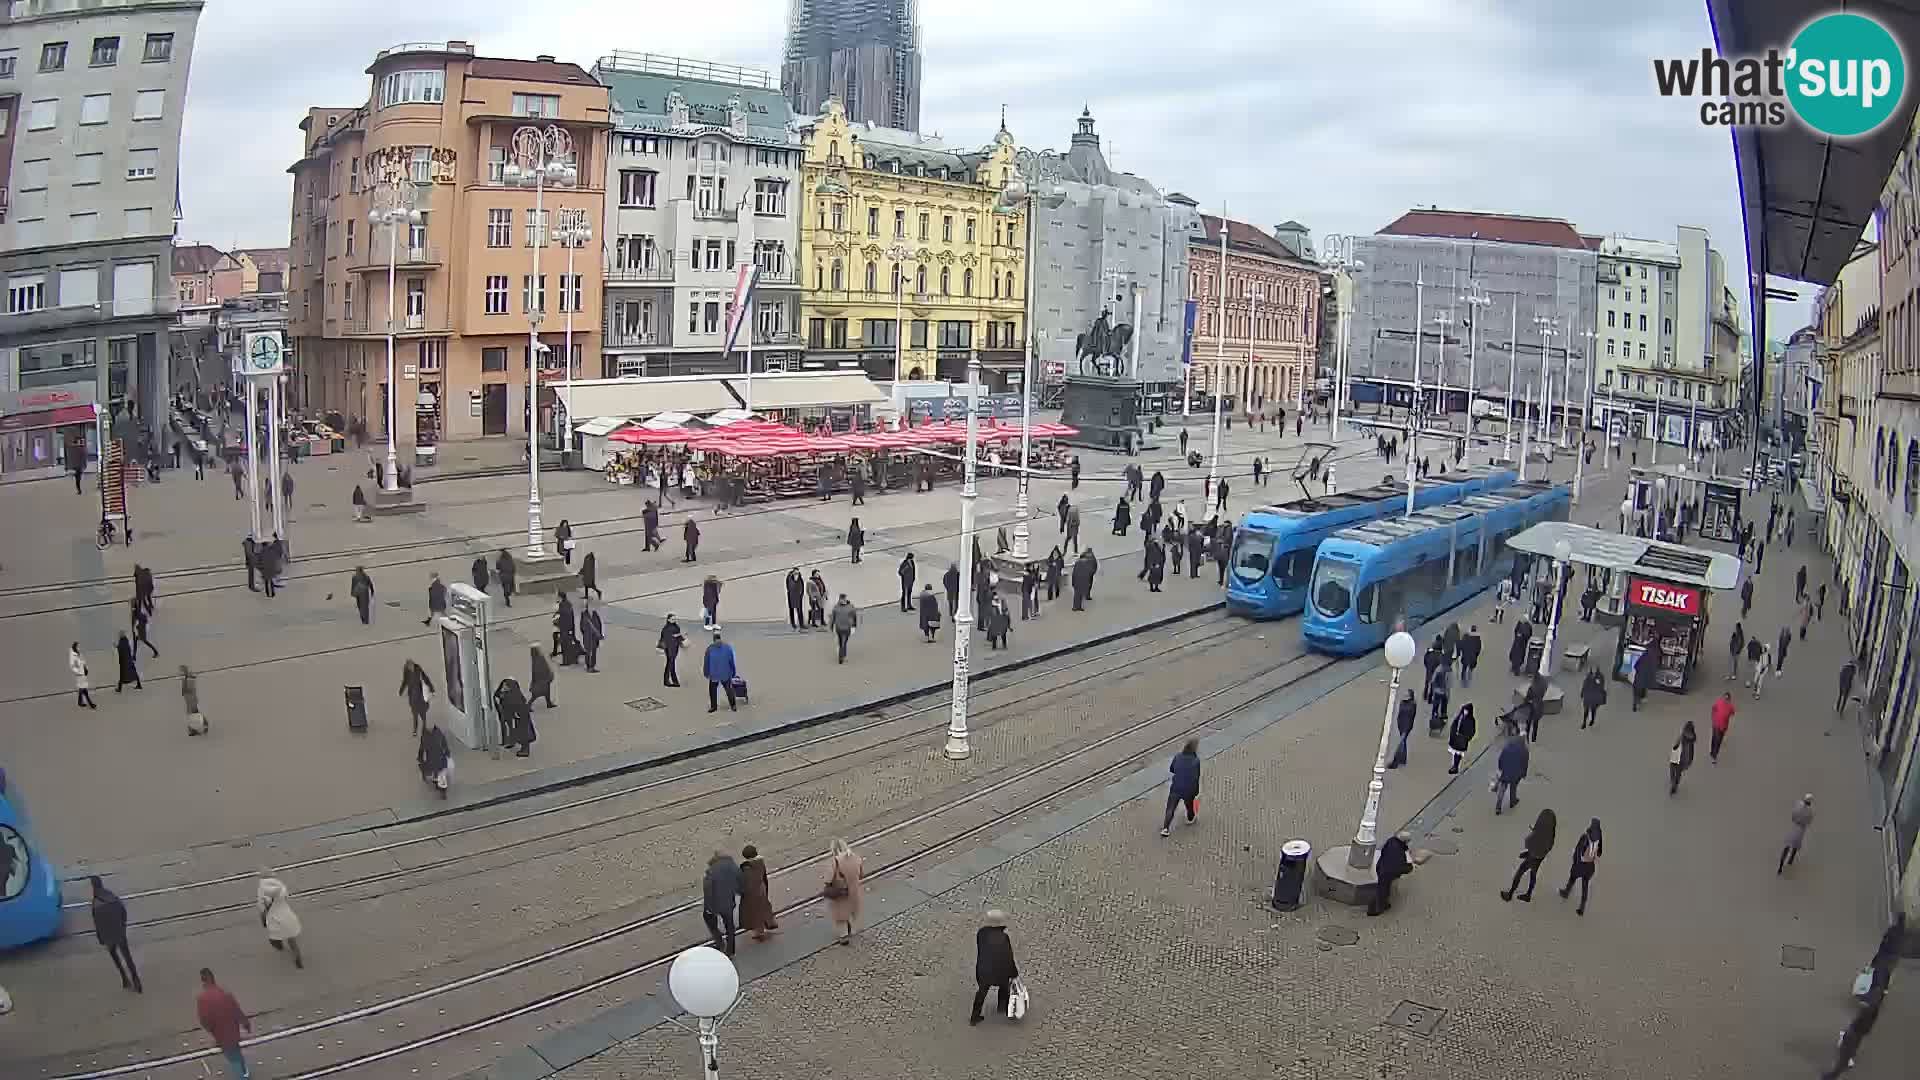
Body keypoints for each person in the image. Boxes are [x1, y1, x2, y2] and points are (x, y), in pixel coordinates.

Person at [196, 968, 253, 1079]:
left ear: (203, 981)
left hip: (220, 1034)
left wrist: (211, 1030)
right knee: (236, 1052)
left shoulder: (202, 999)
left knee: (233, 1058)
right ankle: (244, 1072)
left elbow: (204, 1020)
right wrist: (246, 1024)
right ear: (213, 979)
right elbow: (237, 1010)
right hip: (233, 1030)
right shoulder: (225, 993)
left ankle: (242, 1076)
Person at [89, 876, 141, 992]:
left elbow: (97, 925)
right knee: (127, 957)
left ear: (93, 886)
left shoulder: (95, 903)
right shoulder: (111, 896)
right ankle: (135, 978)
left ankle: (124, 977)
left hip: (108, 936)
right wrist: (123, 926)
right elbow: (123, 911)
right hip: (119, 932)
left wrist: (101, 938)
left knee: (114, 955)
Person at [970, 909, 1020, 1025]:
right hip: (999, 971)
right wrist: (1013, 972)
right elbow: (1008, 957)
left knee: (982, 992)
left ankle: (975, 1017)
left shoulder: (981, 933)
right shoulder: (1004, 938)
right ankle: (1003, 1008)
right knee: (1004, 987)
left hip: (983, 969)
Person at [1500, 808, 1557, 902]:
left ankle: (1510, 894)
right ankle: (1528, 894)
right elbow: (1549, 846)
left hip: (1533, 856)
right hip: (1540, 857)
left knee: (1520, 872)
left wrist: (1533, 832)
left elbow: (1528, 842)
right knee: (1533, 874)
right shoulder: (1551, 833)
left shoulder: (1538, 833)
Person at [1557, 818, 1603, 915]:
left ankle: (1566, 892)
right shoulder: (1599, 839)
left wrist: (1575, 863)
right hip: (1590, 867)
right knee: (1585, 886)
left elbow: (1578, 852)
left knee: (1572, 878)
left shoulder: (1585, 837)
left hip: (1580, 866)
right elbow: (1599, 853)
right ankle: (1582, 907)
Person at [256, 876, 304, 969]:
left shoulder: (265, 899)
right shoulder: (282, 894)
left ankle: (279, 946)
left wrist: (263, 922)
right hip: (288, 919)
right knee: (292, 941)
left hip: (275, 921)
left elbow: (263, 911)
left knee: (274, 937)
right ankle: (297, 959)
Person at [823, 838, 864, 944]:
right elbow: (861, 874)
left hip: (840, 892)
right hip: (854, 891)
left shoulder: (835, 861)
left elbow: (828, 879)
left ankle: (843, 936)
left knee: (840, 915)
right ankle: (850, 929)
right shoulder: (856, 858)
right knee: (850, 910)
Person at [701, 850, 740, 956]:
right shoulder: (732, 866)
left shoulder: (711, 871)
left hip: (715, 904)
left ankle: (720, 943)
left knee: (709, 920)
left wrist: (709, 908)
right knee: (730, 926)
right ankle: (731, 950)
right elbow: (739, 881)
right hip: (728, 903)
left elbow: (708, 891)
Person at [1161, 738, 1201, 836]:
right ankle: (1190, 818)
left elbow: (1172, 769)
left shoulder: (1178, 756)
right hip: (1189, 788)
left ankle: (1165, 828)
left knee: (1170, 808)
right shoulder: (1196, 761)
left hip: (1176, 787)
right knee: (1189, 806)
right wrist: (1196, 791)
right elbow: (1196, 777)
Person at [1368, 832, 1414, 917]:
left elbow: (1384, 852)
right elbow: (1400, 867)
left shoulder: (1391, 841)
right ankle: (1375, 908)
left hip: (1381, 867)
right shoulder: (1400, 853)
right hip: (1389, 873)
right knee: (1382, 890)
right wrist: (1409, 868)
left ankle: (1381, 905)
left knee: (1382, 888)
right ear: (1405, 841)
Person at [739, 844, 778, 942]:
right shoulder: (760, 862)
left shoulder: (746, 868)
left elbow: (746, 882)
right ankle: (768, 924)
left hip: (753, 893)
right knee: (763, 907)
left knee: (755, 912)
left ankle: (759, 931)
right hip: (762, 889)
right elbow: (764, 877)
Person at [703, 632, 739, 713]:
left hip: (714, 674)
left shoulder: (710, 649)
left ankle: (713, 707)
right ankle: (733, 705)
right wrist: (733, 671)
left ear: (714, 640)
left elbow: (706, 662)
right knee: (729, 689)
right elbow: (731, 661)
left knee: (712, 690)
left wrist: (706, 672)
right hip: (725, 673)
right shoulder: (727, 648)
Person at [1494, 731, 1529, 814]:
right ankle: (1512, 802)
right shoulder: (1524, 751)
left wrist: (1501, 768)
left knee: (1502, 788)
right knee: (1513, 787)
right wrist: (1524, 774)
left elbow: (1500, 759)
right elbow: (1525, 764)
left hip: (1505, 772)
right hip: (1516, 773)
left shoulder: (1507, 747)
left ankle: (1498, 807)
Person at [1780, 794, 1815, 874]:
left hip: (1794, 827)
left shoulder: (1798, 804)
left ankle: (1780, 866)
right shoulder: (1811, 811)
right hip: (1801, 830)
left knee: (1787, 846)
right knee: (1795, 848)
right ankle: (1790, 863)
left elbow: (1793, 815)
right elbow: (1809, 822)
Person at [417, 723, 451, 798]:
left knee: (441, 774)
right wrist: (420, 756)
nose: (430, 729)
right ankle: (438, 784)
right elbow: (422, 747)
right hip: (432, 758)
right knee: (436, 773)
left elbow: (444, 743)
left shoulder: (438, 733)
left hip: (439, 757)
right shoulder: (426, 735)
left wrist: (447, 751)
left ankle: (442, 790)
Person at [1388, 690, 1416, 769]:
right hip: (1401, 725)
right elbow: (1400, 714)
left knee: (1401, 743)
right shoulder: (1403, 703)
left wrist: (1407, 728)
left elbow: (1411, 717)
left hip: (1406, 727)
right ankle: (1403, 759)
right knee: (1403, 742)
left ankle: (1395, 761)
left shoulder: (1412, 705)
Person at [1668, 720, 1698, 795]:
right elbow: (1677, 742)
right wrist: (1675, 747)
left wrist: (1688, 763)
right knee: (1672, 769)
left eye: (1687, 732)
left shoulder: (1690, 743)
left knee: (1678, 773)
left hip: (1682, 761)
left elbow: (1690, 755)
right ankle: (1673, 780)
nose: (1686, 733)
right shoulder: (1682, 736)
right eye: (1685, 731)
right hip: (1675, 757)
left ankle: (1674, 786)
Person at [1446, 703, 1476, 775]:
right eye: (1464, 710)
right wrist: (1453, 732)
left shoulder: (1471, 720)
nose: (1465, 711)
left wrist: (1466, 738)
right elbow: (1455, 724)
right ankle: (1455, 766)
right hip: (1456, 738)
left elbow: (1472, 731)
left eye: (1466, 710)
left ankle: (1455, 767)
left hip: (1462, 740)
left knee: (1458, 753)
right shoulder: (1460, 716)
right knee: (1455, 753)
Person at [829, 593, 859, 663]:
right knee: (842, 642)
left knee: (843, 642)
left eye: (843, 599)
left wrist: (854, 625)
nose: (842, 600)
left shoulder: (849, 607)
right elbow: (833, 617)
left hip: (845, 627)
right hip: (840, 628)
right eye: (841, 599)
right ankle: (842, 655)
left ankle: (841, 655)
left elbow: (854, 616)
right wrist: (831, 626)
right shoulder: (837, 607)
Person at [658, 614, 685, 687]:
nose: (674, 620)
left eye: (675, 619)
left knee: (671, 664)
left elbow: (678, 636)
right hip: (670, 649)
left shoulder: (676, 627)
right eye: (673, 619)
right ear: (668, 619)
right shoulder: (666, 628)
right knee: (670, 664)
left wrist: (681, 638)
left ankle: (674, 681)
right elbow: (666, 638)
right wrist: (676, 637)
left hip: (674, 648)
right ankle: (668, 681)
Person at [1709, 690, 1735, 763]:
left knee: (1715, 739)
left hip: (1718, 725)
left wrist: (1713, 717)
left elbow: (1713, 708)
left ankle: (1713, 753)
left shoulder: (1720, 702)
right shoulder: (1729, 706)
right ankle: (1714, 755)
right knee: (1717, 741)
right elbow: (1732, 713)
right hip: (1720, 726)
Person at [180, 665, 207, 735]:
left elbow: (202, 719)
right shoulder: (194, 716)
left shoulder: (193, 716)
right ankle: (187, 674)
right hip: (191, 701)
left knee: (186, 690)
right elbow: (202, 719)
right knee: (188, 690)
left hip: (190, 701)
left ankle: (186, 674)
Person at [70, 643, 97, 710]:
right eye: (78, 646)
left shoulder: (80, 654)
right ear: (75, 647)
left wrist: (86, 668)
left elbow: (84, 662)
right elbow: (72, 666)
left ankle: (80, 702)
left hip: (83, 674)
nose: (79, 648)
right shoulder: (73, 656)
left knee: (82, 689)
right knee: (84, 689)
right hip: (79, 675)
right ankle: (91, 704)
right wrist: (78, 671)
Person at [1630, 644, 1657, 711]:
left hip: (1638, 680)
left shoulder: (1643, 657)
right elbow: (1653, 671)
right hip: (1645, 681)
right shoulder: (1653, 661)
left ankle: (1636, 704)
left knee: (1636, 693)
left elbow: (1636, 666)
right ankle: (1641, 700)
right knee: (1642, 690)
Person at [580, 601, 603, 673]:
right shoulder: (584, 615)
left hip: (594, 637)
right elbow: (582, 627)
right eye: (590, 606)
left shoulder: (595, 614)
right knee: (588, 652)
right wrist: (587, 633)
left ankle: (592, 666)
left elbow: (599, 625)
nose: (591, 608)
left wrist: (598, 633)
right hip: (588, 637)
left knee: (594, 652)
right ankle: (588, 667)